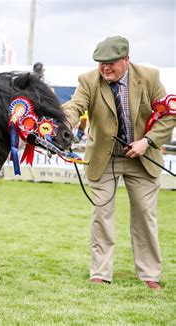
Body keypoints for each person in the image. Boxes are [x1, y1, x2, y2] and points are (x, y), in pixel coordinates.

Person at [63, 36, 175, 290]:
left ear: (127, 59)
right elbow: (74, 107)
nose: (105, 68)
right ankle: (100, 272)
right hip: (104, 159)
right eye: (101, 63)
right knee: (102, 214)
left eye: (111, 63)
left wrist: (147, 141)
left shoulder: (150, 77)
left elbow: (168, 116)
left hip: (142, 158)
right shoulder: (88, 80)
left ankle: (150, 275)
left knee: (145, 216)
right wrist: (62, 123)